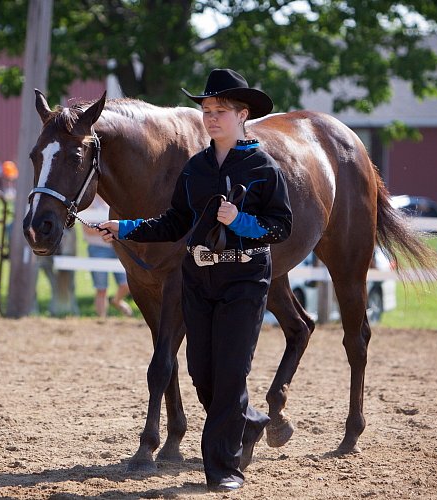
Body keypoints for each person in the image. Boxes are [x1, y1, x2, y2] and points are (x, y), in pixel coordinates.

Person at [98, 68, 292, 492]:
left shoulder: (263, 167)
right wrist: (125, 227)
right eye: (206, 109)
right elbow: (176, 222)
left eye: (220, 110)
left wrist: (240, 220)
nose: (211, 117)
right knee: (202, 373)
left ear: (243, 115)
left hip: (245, 277)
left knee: (230, 372)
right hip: (199, 277)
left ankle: (223, 470)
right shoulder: (195, 168)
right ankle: (252, 420)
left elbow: (281, 228)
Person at [80, 195, 133, 318]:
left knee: (126, 284)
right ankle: (102, 319)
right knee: (101, 288)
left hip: (117, 247)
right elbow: (87, 229)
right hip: (98, 248)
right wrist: (109, 231)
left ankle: (116, 301)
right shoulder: (89, 202)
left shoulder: (113, 198)